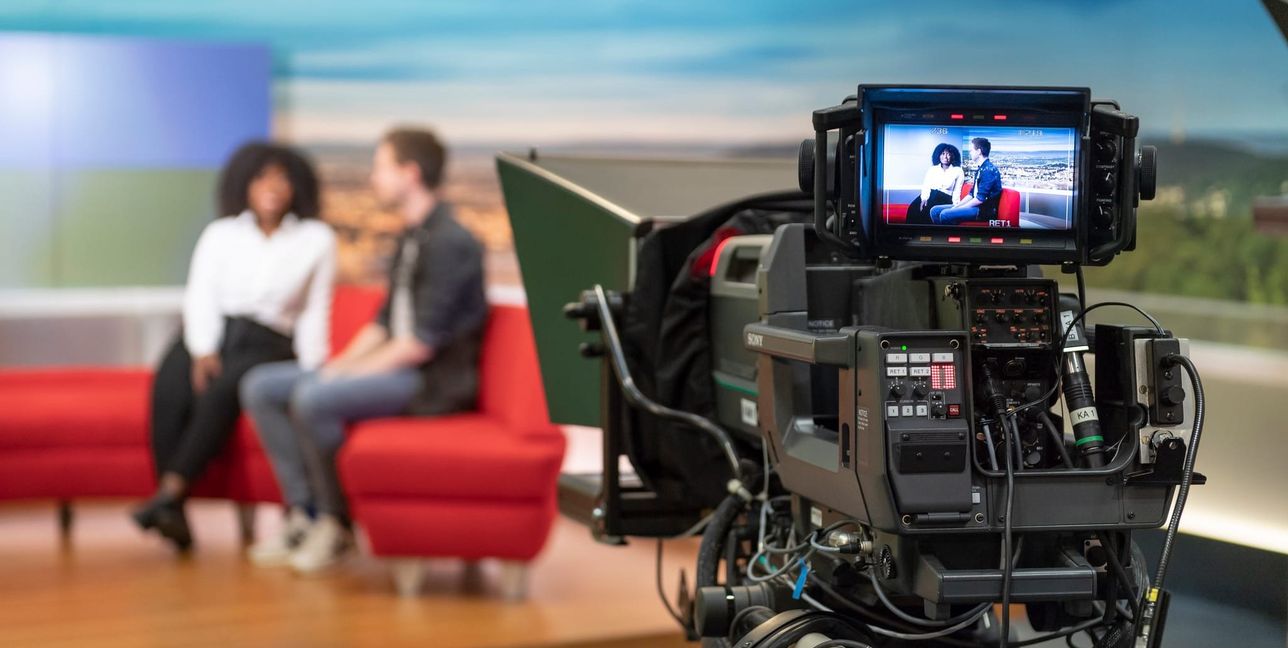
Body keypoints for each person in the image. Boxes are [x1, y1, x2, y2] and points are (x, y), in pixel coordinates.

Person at [240, 127, 486, 573]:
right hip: (400, 367)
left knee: (314, 397)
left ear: (410, 173)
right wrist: (340, 365)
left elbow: (418, 345)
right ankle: (304, 513)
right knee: (261, 387)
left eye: (380, 166)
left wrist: (344, 376)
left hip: (430, 383)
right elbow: (383, 323)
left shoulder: (450, 242)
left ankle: (336, 524)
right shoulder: (413, 236)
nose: (373, 177)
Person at [133, 143, 336, 551]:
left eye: (282, 178)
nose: (272, 187)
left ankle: (172, 492)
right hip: (216, 330)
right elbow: (201, 294)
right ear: (244, 183)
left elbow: (316, 309)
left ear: (297, 186)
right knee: (170, 384)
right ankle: (174, 509)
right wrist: (203, 347)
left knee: (222, 390)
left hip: (270, 339)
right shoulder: (221, 234)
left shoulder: (316, 239)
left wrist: (315, 369)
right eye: (262, 177)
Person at [929, 137, 1002, 225]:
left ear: (979, 151)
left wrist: (960, 208)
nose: (970, 152)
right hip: (976, 206)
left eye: (971, 150)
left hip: (983, 211)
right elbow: (971, 194)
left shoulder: (988, 170)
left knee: (945, 214)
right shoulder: (981, 168)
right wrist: (957, 206)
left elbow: (980, 199)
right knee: (934, 210)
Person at [905, 143, 963, 224]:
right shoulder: (932, 169)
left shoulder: (958, 171)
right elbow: (926, 185)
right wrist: (924, 198)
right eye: (943, 154)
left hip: (945, 197)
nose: (945, 157)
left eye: (948, 154)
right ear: (938, 155)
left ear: (953, 156)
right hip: (930, 194)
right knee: (913, 208)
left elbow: (957, 190)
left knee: (927, 212)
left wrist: (956, 206)